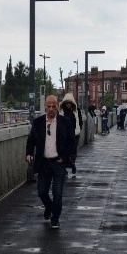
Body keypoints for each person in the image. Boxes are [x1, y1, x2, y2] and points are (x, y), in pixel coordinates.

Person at [26, 95, 76, 229]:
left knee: (57, 193)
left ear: (58, 106)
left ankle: (55, 218)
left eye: (54, 106)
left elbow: (72, 142)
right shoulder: (37, 123)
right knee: (42, 192)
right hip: (43, 163)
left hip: (58, 163)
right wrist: (29, 153)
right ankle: (49, 206)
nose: (51, 109)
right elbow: (31, 141)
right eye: (49, 106)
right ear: (45, 107)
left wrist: (64, 157)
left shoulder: (65, 122)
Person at [59, 93, 82, 175]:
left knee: (73, 152)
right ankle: (65, 168)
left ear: (72, 103)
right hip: (64, 135)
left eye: (69, 103)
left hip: (74, 135)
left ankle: (72, 165)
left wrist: (78, 130)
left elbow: (80, 121)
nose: (68, 105)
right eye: (67, 103)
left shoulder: (76, 111)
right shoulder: (61, 112)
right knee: (64, 152)